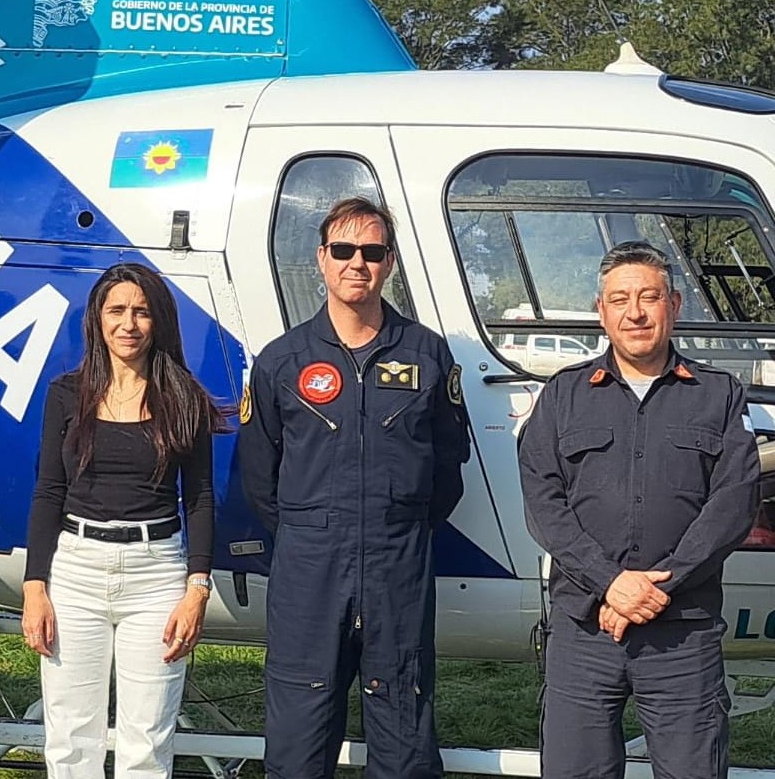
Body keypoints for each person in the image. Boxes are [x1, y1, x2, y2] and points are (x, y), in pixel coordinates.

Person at [236, 197, 469, 779]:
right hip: (309, 563)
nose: (356, 263)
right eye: (343, 250)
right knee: (299, 724)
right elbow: (259, 475)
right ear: (321, 259)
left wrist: (398, 525)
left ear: (389, 261)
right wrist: (313, 529)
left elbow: (448, 467)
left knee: (403, 719)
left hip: (398, 561)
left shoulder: (426, 355)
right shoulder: (282, 361)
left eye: (371, 251)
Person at [518, 240, 757, 779]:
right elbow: (544, 502)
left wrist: (652, 589)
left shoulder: (718, 395)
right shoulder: (564, 396)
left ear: (673, 304)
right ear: (601, 311)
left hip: (681, 634)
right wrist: (610, 583)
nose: (636, 312)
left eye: (649, 297)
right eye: (620, 298)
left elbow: (732, 504)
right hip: (584, 633)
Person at [21, 263, 227, 779]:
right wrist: (34, 587)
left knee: (148, 740)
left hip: (156, 576)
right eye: (116, 310)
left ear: (158, 320)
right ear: (97, 319)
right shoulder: (65, 395)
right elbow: (48, 491)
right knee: (70, 738)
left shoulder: (185, 398)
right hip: (76, 572)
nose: (128, 324)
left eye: (141, 311)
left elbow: (200, 497)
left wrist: (196, 590)